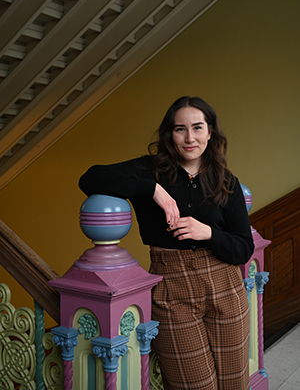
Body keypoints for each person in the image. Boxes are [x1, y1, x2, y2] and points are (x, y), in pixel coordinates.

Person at [79, 96, 254, 390]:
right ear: (169, 134)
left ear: (210, 132)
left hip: (225, 284)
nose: (190, 138)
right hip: (172, 288)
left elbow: (244, 247)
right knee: (195, 386)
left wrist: (208, 232)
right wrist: (152, 190)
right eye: (180, 129)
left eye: (198, 128)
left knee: (234, 384)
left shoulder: (227, 181)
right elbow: (91, 177)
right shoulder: (151, 171)